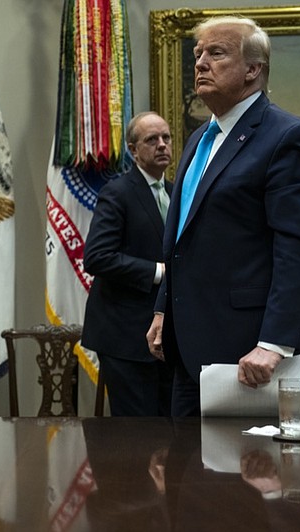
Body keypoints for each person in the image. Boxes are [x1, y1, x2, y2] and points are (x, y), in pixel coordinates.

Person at [146, 16, 300, 416]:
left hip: (254, 355)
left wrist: (274, 344)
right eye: (197, 54)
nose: (200, 63)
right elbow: (182, 237)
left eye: (216, 53)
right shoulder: (199, 138)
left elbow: (299, 250)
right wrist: (164, 309)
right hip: (189, 349)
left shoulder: (288, 137)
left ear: (253, 69)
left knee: (254, 475)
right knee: (187, 472)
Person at [82, 112, 175, 416]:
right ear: (134, 150)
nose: (162, 145)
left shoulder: (178, 192)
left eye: (166, 138)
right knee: (137, 435)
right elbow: (97, 257)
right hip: (125, 335)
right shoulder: (118, 192)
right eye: (152, 140)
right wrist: (158, 272)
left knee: (174, 433)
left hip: (170, 334)